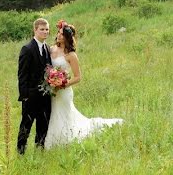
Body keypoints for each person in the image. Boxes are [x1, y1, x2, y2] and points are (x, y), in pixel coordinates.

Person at [45, 20, 122, 149]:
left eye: (62, 34)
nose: (58, 35)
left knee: (63, 114)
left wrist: (62, 84)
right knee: (53, 114)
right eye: (58, 32)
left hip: (64, 91)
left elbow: (78, 77)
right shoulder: (50, 49)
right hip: (52, 89)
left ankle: (66, 139)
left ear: (67, 38)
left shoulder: (71, 55)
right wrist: (51, 82)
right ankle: (51, 141)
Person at [16, 18, 52, 154]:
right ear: (35, 30)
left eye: (47, 29)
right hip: (30, 96)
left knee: (43, 124)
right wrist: (24, 96)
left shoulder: (47, 48)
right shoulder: (27, 49)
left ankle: (40, 150)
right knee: (26, 125)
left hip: (45, 96)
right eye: (42, 29)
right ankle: (20, 152)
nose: (45, 32)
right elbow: (22, 75)